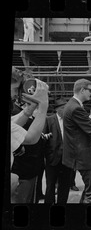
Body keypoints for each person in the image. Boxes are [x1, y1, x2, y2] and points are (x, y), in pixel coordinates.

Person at [11, 67, 49, 196]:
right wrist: (43, 105)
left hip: (31, 167)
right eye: (16, 89)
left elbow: (12, 125)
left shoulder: (20, 110)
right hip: (21, 169)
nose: (17, 94)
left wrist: (28, 110)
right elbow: (31, 138)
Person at [43, 97, 73, 204]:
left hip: (67, 159)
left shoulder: (70, 121)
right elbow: (44, 139)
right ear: (57, 109)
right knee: (50, 185)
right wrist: (47, 156)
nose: (66, 110)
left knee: (65, 185)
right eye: (63, 108)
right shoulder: (49, 120)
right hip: (53, 159)